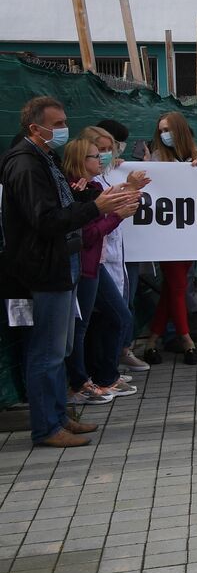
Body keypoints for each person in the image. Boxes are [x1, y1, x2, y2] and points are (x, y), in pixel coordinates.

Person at [1, 97, 141, 447]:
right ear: (35, 128)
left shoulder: (44, 159)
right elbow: (46, 220)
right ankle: (47, 427)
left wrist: (109, 197)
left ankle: (60, 415)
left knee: (59, 348)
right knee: (46, 351)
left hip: (63, 262)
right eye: (57, 123)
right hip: (45, 267)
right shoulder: (25, 165)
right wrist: (97, 207)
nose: (63, 129)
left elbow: (66, 206)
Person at [61, 135, 141, 403]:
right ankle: (81, 382)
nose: (102, 159)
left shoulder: (92, 185)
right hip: (84, 265)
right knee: (82, 327)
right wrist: (118, 216)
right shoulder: (76, 191)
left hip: (95, 263)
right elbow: (89, 233)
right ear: (81, 160)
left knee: (116, 316)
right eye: (96, 155)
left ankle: (103, 376)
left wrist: (128, 192)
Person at [143, 112, 197, 365]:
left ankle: (152, 341)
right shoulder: (158, 157)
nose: (164, 135)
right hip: (166, 234)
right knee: (178, 286)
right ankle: (186, 339)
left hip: (192, 233)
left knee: (172, 289)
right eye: (160, 130)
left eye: (168, 129)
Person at [83, 124, 149, 373]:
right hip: (95, 261)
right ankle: (102, 374)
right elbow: (101, 220)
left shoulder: (107, 174)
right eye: (101, 150)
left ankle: (108, 370)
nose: (107, 155)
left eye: (110, 149)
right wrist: (127, 197)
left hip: (110, 256)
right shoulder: (86, 184)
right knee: (108, 316)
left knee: (117, 313)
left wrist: (130, 189)